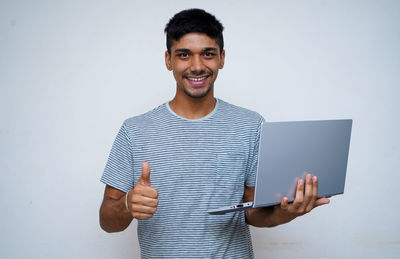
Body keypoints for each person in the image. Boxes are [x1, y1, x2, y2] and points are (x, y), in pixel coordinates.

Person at [99, 8, 330, 258]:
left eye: (208, 54)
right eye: (184, 55)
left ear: (221, 58)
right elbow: (107, 221)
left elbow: (252, 212)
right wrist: (127, 204)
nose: (197, 66)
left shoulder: (251, 125)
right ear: (168, 60)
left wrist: (286, 212)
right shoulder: (135, 130)